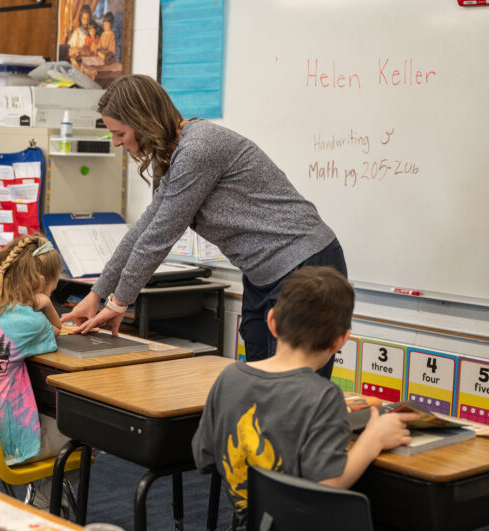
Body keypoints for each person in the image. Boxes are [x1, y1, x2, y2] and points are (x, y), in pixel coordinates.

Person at [59, 74, 347, 373]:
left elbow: (160, 236)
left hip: (304, 264)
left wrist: (117, 304)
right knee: (261, 379)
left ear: (142, 121)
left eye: (119, 133)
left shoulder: (199, 148)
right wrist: (96, 294)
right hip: (263, 273)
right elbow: (145, 227)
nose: (117, 142)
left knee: (292, 385)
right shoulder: (173, 154)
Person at [191, 267, 455, 531]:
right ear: (341, 340)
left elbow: (203, 455)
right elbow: (327, 484)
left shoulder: (229, 379)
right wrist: (373, 439)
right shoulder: (324, 396)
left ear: (271, 321)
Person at [0, 234, 71, 507]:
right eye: (53, 288)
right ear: (39, 284)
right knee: (89, 431)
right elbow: (57, 331)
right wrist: (47, 306)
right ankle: (46, 506)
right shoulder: (29, 321)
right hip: (6, 442)